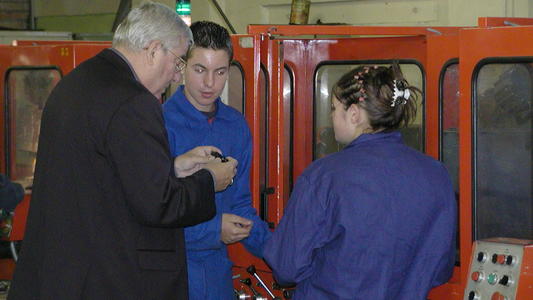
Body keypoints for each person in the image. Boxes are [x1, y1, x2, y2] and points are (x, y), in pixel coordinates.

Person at [8, 3, 237, 300]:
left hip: (63, 275)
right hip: (107, 280)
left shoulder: (78, 83)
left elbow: (104, 176)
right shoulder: (133, 102)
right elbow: (159, 204)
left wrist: (175, 167)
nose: (176, 77)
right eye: (179, 62)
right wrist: (209, 179)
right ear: (155, 50)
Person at [264, 64, 457, 299]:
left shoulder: (324, 176)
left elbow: (287, 269)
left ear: (354, 114)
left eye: (334, 109)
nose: (332, 117)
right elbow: (440, 269)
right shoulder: (436, 174)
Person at [162, 21, 271, 300]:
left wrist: (282, 254)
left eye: (220, 71)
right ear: (182, 66)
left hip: (217, 277)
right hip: (169, 275)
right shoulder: (159, 124)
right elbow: (150, 215)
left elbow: (241, 205)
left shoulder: (235, 126)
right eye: (200, 70)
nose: (210, 83)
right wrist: (212, 230)